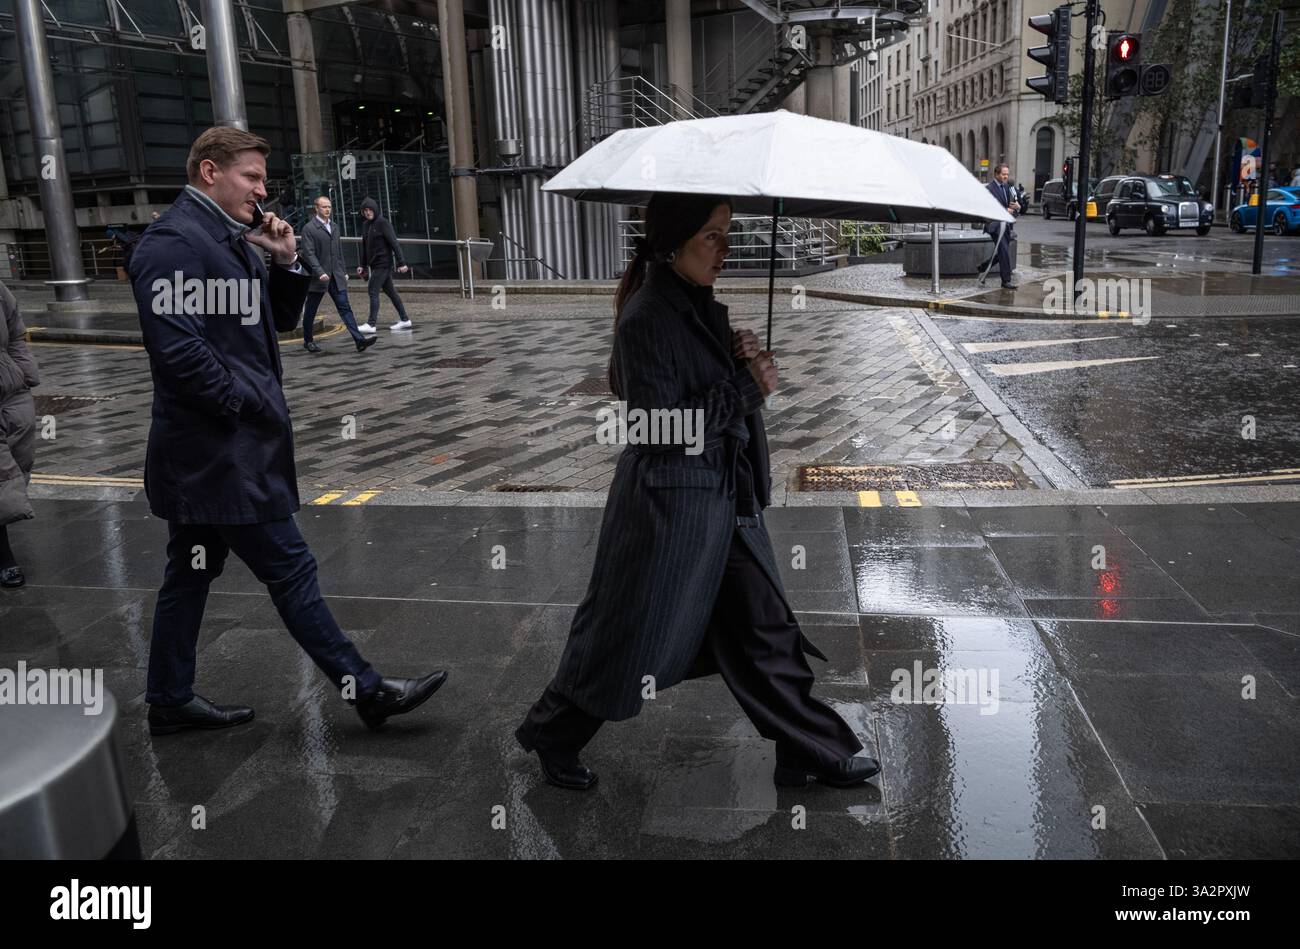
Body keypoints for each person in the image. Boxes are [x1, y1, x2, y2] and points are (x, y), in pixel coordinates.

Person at [515, 192, 879, 791]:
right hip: (668, 514)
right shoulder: (647, 317)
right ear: (673, 241)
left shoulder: (697, 305)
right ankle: (554, 733)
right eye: (712, 235)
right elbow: (654, 429)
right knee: (624, 636)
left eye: (727, 233)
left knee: (765, 627)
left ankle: (807, 746)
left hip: (723, 504)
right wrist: (743, 387)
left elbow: (710, 395)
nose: (726, 248)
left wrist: (742, 361)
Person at [128, 126, 446, 736]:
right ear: (208, 172)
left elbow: (269, 322)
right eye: (251, 177)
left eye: (262, 180)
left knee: (189, 572)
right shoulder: (173, 244)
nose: (261, 190)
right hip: (220, 453)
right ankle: (368, 690)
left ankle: (169, 697)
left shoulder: (224, 236)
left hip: (218, 450)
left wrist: (284, 261)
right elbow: (179, 355)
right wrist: (248, 405)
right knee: (291, 567)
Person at [299, 195, 376, 354]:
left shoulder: (334, 226)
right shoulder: (309, 228)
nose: (327, 209)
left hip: (336, 276)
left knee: (345, 308)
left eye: (329, 207)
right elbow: (309, 253)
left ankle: (359, 340)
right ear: (316, 209)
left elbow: (338, 252)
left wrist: (343, 271)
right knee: (311, 311)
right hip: (318, 278)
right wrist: (319, 272)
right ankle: (308, 340)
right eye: (324, 207)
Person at [0, 280, 38, 588]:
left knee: (17, 467)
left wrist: (24, 373)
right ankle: (4, 556)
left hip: (10, 391)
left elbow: (15, 332)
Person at [356, 197, 412, 333]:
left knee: (372, 290)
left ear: (375, 209)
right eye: (365, 210)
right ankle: (405, 319)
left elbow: (394, 243)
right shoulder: (365, 225)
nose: (368, 212)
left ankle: (371, 324)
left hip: (383, 264)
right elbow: (364, 247)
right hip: (374, 265)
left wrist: (401, 262)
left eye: (370, 210)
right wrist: (362, 265)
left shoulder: (383, 223)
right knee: (391, 292)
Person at [984, 163, 1020, 290]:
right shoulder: (989, 189)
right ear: (996, 174)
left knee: (1002, 250)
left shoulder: (1008, 187)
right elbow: (988, 208)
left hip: (1007, 225)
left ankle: (983, 268)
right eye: (1003, 174)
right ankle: (1006, 281)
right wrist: (1005, 210)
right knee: (1004, 249)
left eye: (1007, 174)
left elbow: (1013, 207)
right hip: (995, 225)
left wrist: (1017, 208)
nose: (1006, 177)